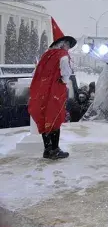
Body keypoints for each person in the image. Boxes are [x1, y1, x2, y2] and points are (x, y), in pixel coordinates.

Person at [28, 18, 75, 160]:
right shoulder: (63, 55)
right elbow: (66, 71)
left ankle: (47, 149)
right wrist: (64, 81)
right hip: (55, 90)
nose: (68, 48)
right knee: (55, 117)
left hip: (41, 91)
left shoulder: (45, 56)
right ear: (64, 44)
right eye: (68, 45)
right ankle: (55, 149)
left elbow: (35, 73)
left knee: (44, 117)